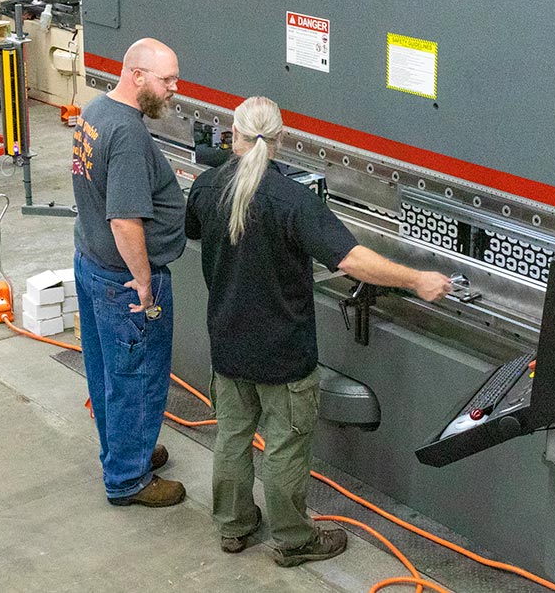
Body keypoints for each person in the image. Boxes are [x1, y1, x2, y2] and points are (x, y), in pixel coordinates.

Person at [185, 95, 454, 566]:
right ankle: (294, 540)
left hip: (227, 343)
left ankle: (234, 526)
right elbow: (352, 261)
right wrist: (418, 279)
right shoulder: (293, 201)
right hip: (283, 354)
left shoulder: (207, 187)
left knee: (232, 436)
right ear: (282, 139)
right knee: (285, 449)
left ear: (234, 134)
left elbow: (195, 233)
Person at [71, 37, 187, 508]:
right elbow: (124, 219)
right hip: (124, 281)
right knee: (136, 377)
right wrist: (143, 282)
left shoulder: (96, 111)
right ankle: (128, 479)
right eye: (167, 80)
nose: (174, 89)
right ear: (136, 75)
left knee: (105, 373)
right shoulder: (128, 135)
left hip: (92, 263)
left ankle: (127, 449)